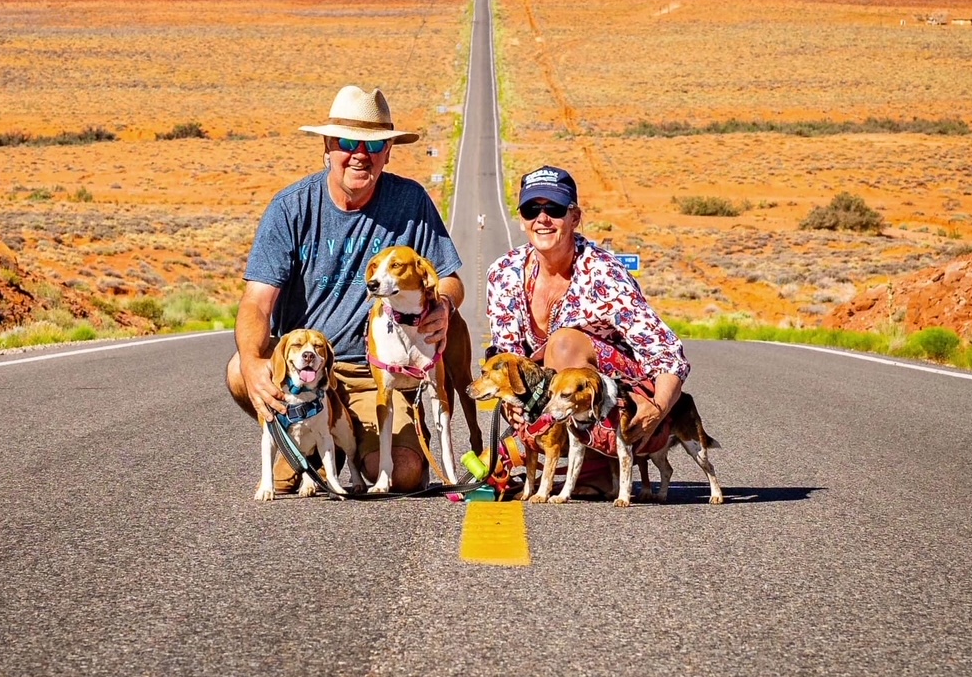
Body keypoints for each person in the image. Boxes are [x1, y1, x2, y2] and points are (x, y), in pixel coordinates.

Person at [226, 84, 467, 491]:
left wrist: (443, 304)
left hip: (381, 372)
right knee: (238, 368)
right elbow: (256, 303)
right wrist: (253, 364)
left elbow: (450, 278)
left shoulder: (410, 201)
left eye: (373, 145)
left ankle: (354, 442)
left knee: (402, 474)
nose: (360, 154)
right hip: (310, 369)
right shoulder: (291, 207)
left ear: (388, 152)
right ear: (327, 146)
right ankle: (315, 434)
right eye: (348, 142)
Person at [486, 165, 689, 452]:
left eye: (554, 209)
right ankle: (552, 448)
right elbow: (509, 356)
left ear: (575, 217)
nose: (542, 219)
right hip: (552, 401)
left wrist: (657, 408)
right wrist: (511, 402)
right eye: (531, 209)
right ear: (521, 219)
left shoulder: (604, 272)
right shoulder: (503, 272)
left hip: (622, 401)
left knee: (564, 345)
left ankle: (597, 468)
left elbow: (666, 352)